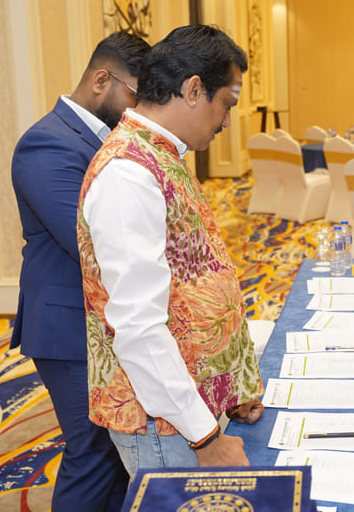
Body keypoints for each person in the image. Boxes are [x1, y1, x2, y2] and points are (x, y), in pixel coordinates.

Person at [77, 25, 265, 478]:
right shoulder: (127, 173)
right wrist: (205, 436)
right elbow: (140, 328)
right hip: (164, 427)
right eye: (227, 105)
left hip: (184, 412)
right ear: (194, 90)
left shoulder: (160, 155)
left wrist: (227, 388)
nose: (226, 121)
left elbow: (190, 281)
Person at [10, 31, 150, 511]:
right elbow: (88, 242)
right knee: (91, 451)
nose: (139, 109)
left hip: (104, 321)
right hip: (67, 326)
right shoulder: (46, 144)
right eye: (135, 94)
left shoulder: (110, 140)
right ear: (100, 80)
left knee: (114, 450)